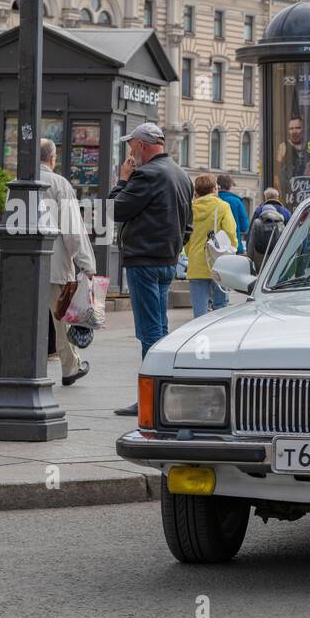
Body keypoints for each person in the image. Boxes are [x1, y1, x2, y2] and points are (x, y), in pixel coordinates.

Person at [109, 122, 193, 416]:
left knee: (149, 331)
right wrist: (172, 249)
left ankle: (152, 397)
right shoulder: (182, 175)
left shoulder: (145, 174)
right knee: (160, 328)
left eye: (131, 147)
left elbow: (113, 210)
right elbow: (188, 226)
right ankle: (164, 393)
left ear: (143, 145)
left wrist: (122, 180)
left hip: (144, 261)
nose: (130, 154)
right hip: (167, 262)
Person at [39, 138, 95, 386]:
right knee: (61, 318)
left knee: (26, 318)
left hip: (23, 268)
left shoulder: (18, 184)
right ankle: (70, 367)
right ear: (53, 159)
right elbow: (73, 229)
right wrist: (87, 264)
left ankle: (25, 364)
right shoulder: (59, 184)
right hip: (55, 264)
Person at [187, 174, 236, 317]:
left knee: (199, 311)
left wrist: (191, 252)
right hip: (218, 262)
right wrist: (232, 248)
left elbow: (186, 236)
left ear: (197, 191)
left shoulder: (190, 208)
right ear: (214, 189)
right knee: (221, 307)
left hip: (196, 262)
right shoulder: (222, 206)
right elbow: (230, 232)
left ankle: (200, 337)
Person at [247, 191, 289, 272]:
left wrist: (249, 258)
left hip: (259, 254)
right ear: (277, 197)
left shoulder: (259, 211)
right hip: (277, 254)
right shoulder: (285, 212)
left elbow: (251, 238)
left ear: (265, 197)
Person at [216, 173, 250, 253]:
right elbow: (245, 227)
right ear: (230, 186)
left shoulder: (213, 200)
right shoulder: (236, 202)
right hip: (233, 247)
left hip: (214, 246)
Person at [275, 115, 308, 195]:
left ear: (303, 129)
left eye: (298, 128)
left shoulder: (308, 145)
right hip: (289, 193)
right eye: (291, 129)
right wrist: (279, 193)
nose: (294, 131)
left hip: (307, 190)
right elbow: (276, 173)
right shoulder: (283, 147)